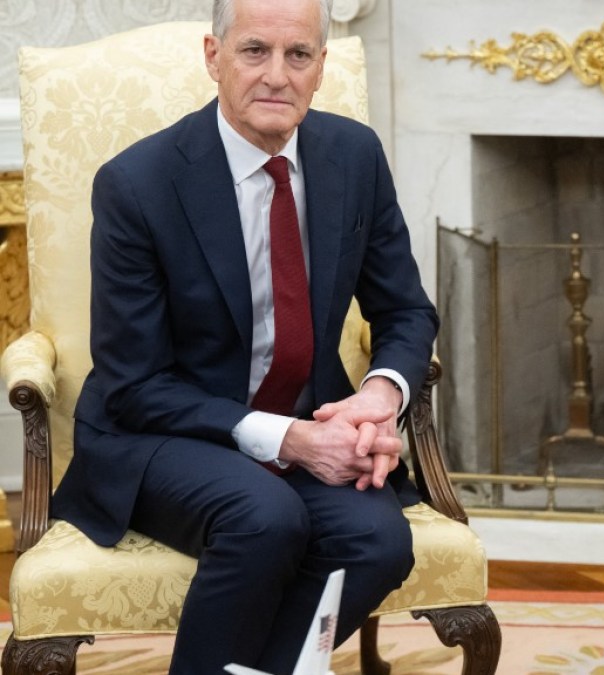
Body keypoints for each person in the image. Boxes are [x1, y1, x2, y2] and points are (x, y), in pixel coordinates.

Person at [49, 0, 439, 671]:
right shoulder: (138, 184)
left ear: (321, 66)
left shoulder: (354, 156)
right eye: (255, 50)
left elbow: (405, 309)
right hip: (162, 434)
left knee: (378, 541)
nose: (277, 76)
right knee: (264, 516)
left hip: (306, 419)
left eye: (299, 55)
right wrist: (292, 440)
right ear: (215, 57)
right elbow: (134, 385)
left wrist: (378, 399)